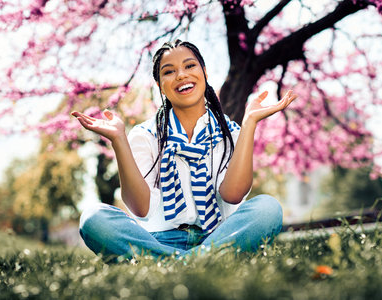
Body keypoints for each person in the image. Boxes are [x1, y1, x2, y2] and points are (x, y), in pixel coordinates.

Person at [72, 40, 297, 260]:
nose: (181, 75)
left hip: (218, 237)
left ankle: (166, 262)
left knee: (268, 208)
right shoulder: (146, 135)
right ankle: (199, 261)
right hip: (159, 240)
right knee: (94, 218)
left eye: (190, 66)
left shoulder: (230, 133)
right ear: (159, 85)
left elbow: (233, 195)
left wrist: (249, 124)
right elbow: (141, 209)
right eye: (169, 72)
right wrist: (118, 140)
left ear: (205, 73)